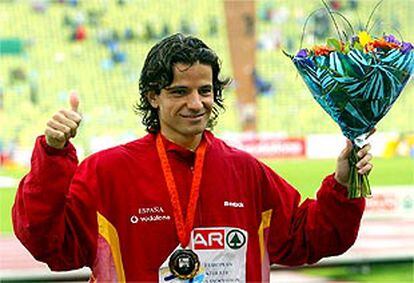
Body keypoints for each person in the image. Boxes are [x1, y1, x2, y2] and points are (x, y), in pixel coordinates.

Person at [12, 33, 373, 282]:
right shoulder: (107, 172)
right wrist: (53, 154)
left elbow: (310, 237)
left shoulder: (244, 170)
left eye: (205, 91)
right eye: (179, 92)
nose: (196, 103)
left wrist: (343, 185)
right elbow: (48, 244)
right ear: (153, 96)